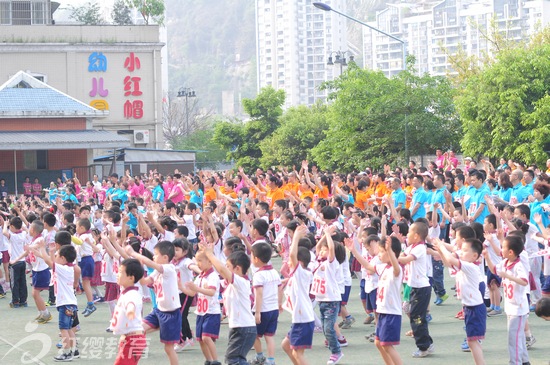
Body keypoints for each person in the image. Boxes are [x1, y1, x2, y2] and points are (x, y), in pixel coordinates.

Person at [202, 239, 257, 365]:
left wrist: (210, 254)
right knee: (235, 359)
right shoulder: (230, 283)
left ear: (237, 269)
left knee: (233, 359)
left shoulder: (241, 282)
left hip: (244, 327)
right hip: (239, 327)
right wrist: (207, 256)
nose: (225, 269)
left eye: (228, 267)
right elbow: (218, 272)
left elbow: (221, 269)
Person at [126, 241, 181, 365]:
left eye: (156, 255)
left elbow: (149, 262)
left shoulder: (169, 268)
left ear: (165, 257)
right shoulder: (157, 272)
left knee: (168, 348)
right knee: (137, 329)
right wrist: (139, 268)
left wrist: (133, 253)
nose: (154, 257)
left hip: (170, 314)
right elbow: (144, 282)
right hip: (159, 311)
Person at [435, 238, 486, 365]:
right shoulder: (465, 266)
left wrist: (442, 247)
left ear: (474, 255)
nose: (461, 253)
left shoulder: (470, 266)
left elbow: (451, 260)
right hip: (470, 307)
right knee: (472, 341)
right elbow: (448, 263)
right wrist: (441, 252)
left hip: (475, 308)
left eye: (464, 250)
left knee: (472, 342)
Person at [484, 235, 530, 365]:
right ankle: (525, 360)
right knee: (518, 337)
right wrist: (487, 257)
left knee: (513, 339)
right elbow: (494, 269)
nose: (501, 249)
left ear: (511, 252)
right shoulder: (504, 262)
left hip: (518, 309)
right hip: (510, 307)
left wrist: (508, 276)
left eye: (503, 247)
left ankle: (515, 362)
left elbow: (524, 281)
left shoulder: (518, 265)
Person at [34, 238, 80, 362]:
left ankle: (66, 353)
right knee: (69, 329)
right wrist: (52, 251)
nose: (55, 256)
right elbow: (53, 261)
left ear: (63, 259)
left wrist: (43, 248)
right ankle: (74, 351)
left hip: (65, 304)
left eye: (57, 255)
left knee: (64, 329)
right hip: (70, 303)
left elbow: (49, 262)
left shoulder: (63, 269)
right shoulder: (68, 268)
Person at [398, 222, 434, 358]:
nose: (407, 235)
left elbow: (406, 259)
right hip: (415, 287)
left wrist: (392, 256)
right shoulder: (412, 246)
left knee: (417, 318)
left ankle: (423, 347)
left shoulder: (420, 247)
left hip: (422, 288)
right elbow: (403, 253)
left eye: (409, 232)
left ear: (417, 235)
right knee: (416, 316)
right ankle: (427, 343)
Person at [281, 224, 315, 365]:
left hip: (303, 320)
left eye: (291, 262)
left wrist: (295, 237)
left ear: (298, 263)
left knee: (296, 352)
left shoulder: (301, 272)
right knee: (286, 345)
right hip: (301, 319)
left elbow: (293, 256)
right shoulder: (301, 274)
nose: (288, 263)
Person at [312, 225, 345, 365]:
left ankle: (336, 352)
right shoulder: (319, 261)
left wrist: (328, 235)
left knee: (328, 328)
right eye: (323, 250)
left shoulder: (332, 263)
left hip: (331, 300)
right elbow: (317, 248)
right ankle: (335, 350)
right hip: (322, 300)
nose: (322, 251)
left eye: (325, 250)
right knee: (326, 329)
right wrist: (324, 237)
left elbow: (331, 249)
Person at [9, 220, 51, 322]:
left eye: (30, 228)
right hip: (36, 269)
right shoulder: (33, 240)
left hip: (41, 269)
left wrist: (31, 248)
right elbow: (27, 251)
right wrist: (16, 259)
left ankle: (45, 313)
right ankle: (41, 312)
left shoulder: (39, 239)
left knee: (35, 293)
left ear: (32, 230)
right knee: (34, 293)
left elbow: (36, 249)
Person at [185, 248, 222, 365]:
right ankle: (209, 360)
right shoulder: (200, 276)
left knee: (206, 337)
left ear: (210, 262)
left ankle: (216, 360)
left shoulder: (213, 276)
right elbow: (192, 293)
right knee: (200, 339)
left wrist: (196, 288)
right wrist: (180, 286)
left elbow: (211, 292)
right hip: (201, 312)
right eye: (197, 261)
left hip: (211, 312)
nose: (198, 264)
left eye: (200, 260)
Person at [110, 258, 147, 365]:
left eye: (121, 272)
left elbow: (131, 304)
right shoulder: (126, 293)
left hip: (133, 340)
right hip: (129, 338)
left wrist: (130, 311)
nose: (117, 274)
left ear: (131, 278)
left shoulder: (132, 294)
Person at [250, 242, 281, 365]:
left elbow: (259, 294)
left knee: (254, 334)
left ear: (256, 259)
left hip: (262, 309)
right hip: (273, 309)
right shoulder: (274, 272)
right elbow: (280, 289)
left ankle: (260, 356)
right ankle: (271, 360)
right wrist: (279, 304)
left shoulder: (258, 275)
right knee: (269, 336)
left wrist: (257, 312)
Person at [4, 216, 28, 308]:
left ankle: (15, 301)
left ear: (13, 226)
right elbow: (25, 229)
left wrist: (5, 225)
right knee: (22, 282)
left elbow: (4, 232)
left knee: (14, 283)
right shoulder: (23, 234)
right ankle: (23, 300)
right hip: (22, 261)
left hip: (14, 262)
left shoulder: (13, 236)